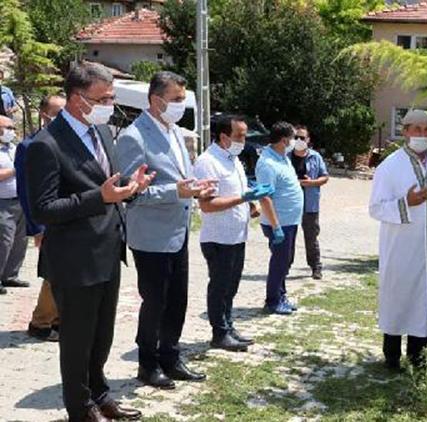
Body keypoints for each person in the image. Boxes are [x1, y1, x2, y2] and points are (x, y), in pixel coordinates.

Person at [26, 62, 151, 422]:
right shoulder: (45, 145)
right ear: (79, 99)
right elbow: (44, 208)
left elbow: (103, 181)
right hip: (74, 260)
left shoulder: (101, 133)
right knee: (77, 340)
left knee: (102, 336)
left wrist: (130, 186)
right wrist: (102, 197)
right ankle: (80, 408)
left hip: (108, 251)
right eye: (105, 98)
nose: (111, 104)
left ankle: (100, 394)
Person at [116, 71, 215, 390]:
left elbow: (176, 180)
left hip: (178, 232)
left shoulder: (172, 131)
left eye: (183, 99)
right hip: (150, 236)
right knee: (155, 302)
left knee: (178, 300)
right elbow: (131, 193)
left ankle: (170, 356)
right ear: (155, 100)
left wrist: (196, 187)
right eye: (176, 99)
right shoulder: (133, 137)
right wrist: (177, 192)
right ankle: (147, 364)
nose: (181, 105)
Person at [369, 109, 427, 370]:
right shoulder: (390, 166)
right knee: (398, 296)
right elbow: (375, 207)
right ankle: (392, 358)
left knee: (423, 300)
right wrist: (406, 203)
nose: (422, 134)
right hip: (400, 248)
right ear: (405, 131)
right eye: (416, 129)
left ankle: (418, 357)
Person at [193, 115, 277, 352]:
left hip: (236, 235)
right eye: (240, 136)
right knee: (220, 286)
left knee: (231, 285)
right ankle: (219, 332)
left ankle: (228, 325)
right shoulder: (208, 162)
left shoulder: (233, 159)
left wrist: (250, 204)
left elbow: (236, 191)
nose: (244, 141)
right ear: (223, 137)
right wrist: (243, 198)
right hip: (218, 237)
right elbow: (207, 205)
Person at [16, 94, 66, 341]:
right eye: (58, 112)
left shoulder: (66, 141)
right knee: (53, 272)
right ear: (45, 115)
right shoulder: (29, 146)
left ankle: (56, 320)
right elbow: (26, 190)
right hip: (46, 221)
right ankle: (41, 322)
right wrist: (36, 227)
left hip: (65, 218)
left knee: (63, 270)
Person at [255, 121, 303, 315]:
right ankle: (272, 301)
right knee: (279, 262)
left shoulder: (283, 157)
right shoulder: (267, 163)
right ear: (284, 140)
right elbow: (265, 197)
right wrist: (276, 227)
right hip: (279, 223)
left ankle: (281, 295)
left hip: (290, 221)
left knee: (286, 261)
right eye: (293, 138)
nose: (296, 142)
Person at [289, 125, 328, 280]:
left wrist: (311, 182)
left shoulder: (315, 157)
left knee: (311, 237)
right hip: (290, 203)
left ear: (308, 140)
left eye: (302, 138)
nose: (299, 140)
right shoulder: (286, 156)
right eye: (296, 137)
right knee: (288, 237)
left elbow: (324, 177)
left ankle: (316, 267)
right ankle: (285, 266)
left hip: (310, 203)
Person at [0, 115, 29, 294]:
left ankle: (10, 275)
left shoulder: (14, 148)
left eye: (12, 127)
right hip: (3, 202)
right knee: (4, 241)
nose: (11, 131)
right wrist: (16, 169)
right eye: (7, 127)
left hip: (20, 200)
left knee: (20, 240)